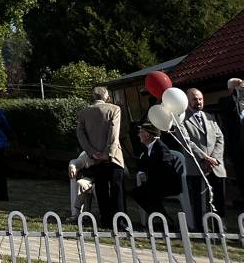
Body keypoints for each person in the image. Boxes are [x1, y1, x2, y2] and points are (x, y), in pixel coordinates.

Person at [77, 86, 125, 224]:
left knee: (101, 188)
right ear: (106, 96)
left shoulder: (84, 112)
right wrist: (108, 152)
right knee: (117, 189)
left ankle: (106, 220)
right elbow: (113, 133)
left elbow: (80, 135)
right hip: (113, 156)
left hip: (94, 158)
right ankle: (120, 221)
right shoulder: (114, 109)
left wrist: (91, 152)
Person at [180, 88, 226, 231]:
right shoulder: (181, 119)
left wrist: (214, 158)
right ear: (188, 101)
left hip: (215, 166)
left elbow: (220, 138)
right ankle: (201, 229)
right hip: (196, 166)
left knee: (219, 199)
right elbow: (186, 141)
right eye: (195, 99)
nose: (198, 102)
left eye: (200, 99)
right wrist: (204, 157)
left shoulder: (210, 117)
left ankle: (220, 228)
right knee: (199, 201)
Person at [134, 121, 185, 220]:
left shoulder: (161, 148)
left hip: (167, 184)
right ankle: (162, 219)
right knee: (138, 192)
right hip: (155, 183)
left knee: (145, 192)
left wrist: (148, 174)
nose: (138, 134)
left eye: (140, 132)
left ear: (147, 135)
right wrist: (141, 172)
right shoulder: (146, 149)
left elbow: (166, 168)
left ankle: (163, 220)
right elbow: (141, 164)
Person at [214, 79, 244, 206]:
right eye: (241, 89)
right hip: (239, 150)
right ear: (231, 90)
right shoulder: (226, 101)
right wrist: (236, 95)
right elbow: (227, 108)